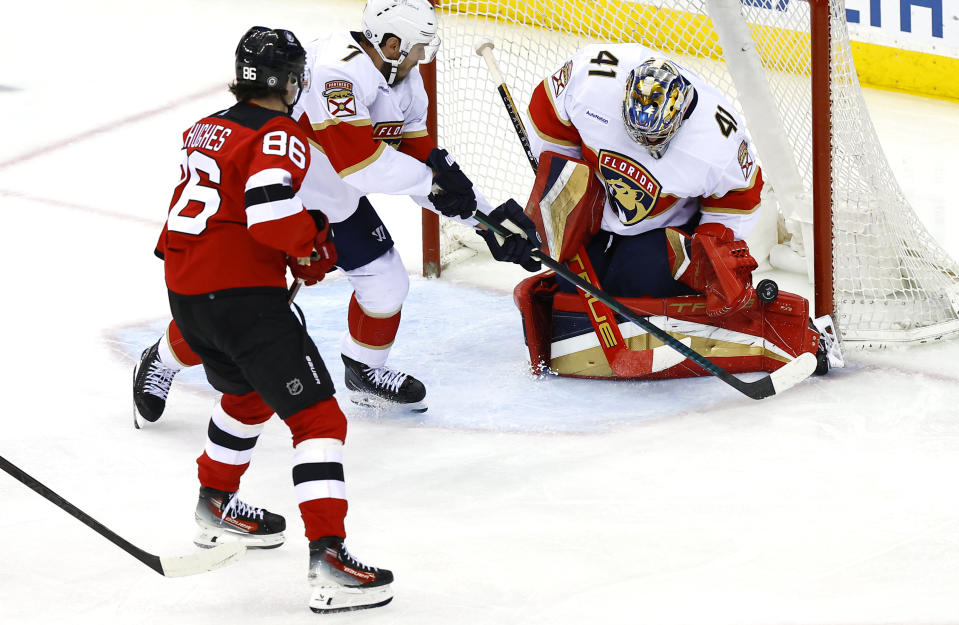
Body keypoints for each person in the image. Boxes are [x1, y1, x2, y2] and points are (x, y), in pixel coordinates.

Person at [133, 0, 537, 424]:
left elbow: (417, 158)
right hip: (275, 201)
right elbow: (363, 165)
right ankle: (161, 358)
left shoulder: (405, 78)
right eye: (419, 46)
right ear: (393, 42)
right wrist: (433, 182)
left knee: (386, 283)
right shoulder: (336, 73)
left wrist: (487, 219)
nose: (424, 56)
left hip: (332, 201)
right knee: (238, 313)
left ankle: (365, 372)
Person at [159, 26, 395, 613]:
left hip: (187, 294)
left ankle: (215, 504)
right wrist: (310, 244)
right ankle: (330, 559)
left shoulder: (205, 127)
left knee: (246, 395)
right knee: (319, 419)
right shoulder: (280, 133)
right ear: (287, 82)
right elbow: (268, 213)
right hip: (243, 300)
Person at [513, 44, 834, 379]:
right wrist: (567, 186)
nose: (642, 144)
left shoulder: (716, 138)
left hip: (664, 232)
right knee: (571, 297)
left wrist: (710, 248)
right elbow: (547, 109)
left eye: (653, 138)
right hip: (594, 211)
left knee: (627, 288)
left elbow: (742, 197)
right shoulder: (592, 80)